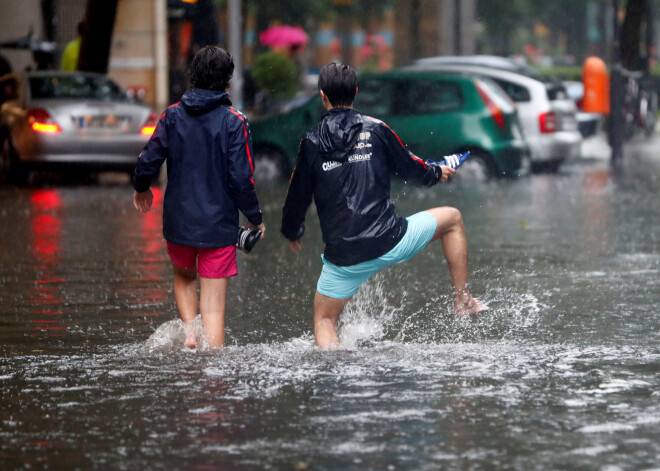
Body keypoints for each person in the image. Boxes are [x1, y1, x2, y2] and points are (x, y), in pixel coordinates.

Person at [281, 62, 483, 349]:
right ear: (356, 92)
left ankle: (334, 376)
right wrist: (437, 173)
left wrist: (293, 231)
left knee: (324, 321)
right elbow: (412, 169)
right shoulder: (376, 129)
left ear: (322, 95)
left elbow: (297, 194)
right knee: (452, 219)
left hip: (343, 257)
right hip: (390, 239)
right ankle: (463, 300)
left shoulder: (311, 141)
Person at [133, 46, 264, 349]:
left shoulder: (172, 116)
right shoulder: (235, 122)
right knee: (214, 307)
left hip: (179, 223)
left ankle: (190, 333)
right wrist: (255, 219)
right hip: (219, 227)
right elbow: (242, 179)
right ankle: (212, 371)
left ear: (193, 75)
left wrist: (142, 187)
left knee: (184, 278)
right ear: (227, 79)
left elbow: (147, 160)